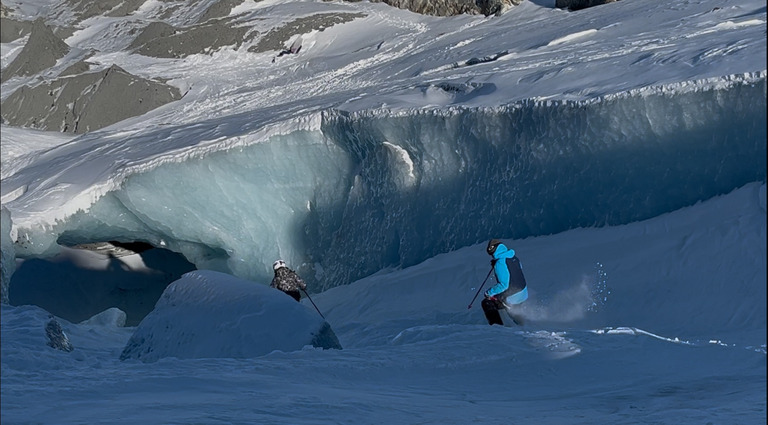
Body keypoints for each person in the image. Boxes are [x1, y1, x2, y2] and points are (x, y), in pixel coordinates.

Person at [481, 239, 528, 326]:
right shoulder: (514, 257)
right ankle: (522, 324)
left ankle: (497, 327)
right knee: (516, 315)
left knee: (486, 302)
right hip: (523, 292)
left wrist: (488, 293)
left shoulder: (500, 263)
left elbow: (503, 285)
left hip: (513, 296)